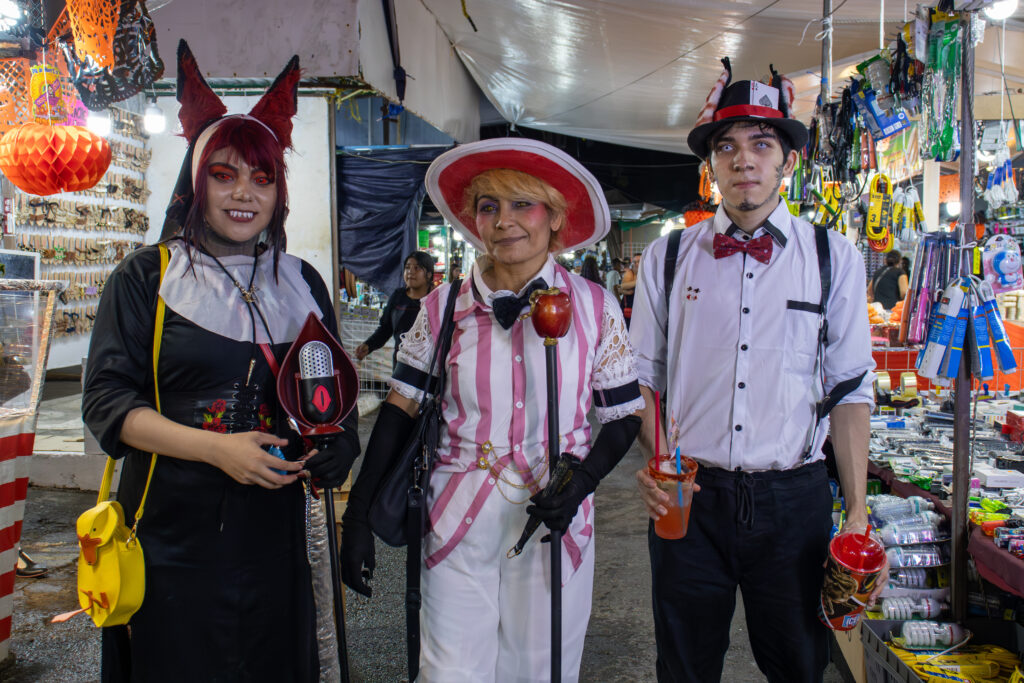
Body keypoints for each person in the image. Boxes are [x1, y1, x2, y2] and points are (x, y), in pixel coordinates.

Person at [81, 43, 359, 682]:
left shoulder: (303, 282)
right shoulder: (146, 279)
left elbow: (327, 392)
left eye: (262, 179)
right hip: (172, 534)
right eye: (224, 174)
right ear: (195, 181)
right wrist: (217, 449)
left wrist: (342, 444)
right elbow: (107, 404)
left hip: (277, 537)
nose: (244, 194)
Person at [340, 138, 644, 682]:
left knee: (541, 670)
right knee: (449, 672)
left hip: (554, 518)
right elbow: (399, 410)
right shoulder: (440, 307)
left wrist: (582, 483)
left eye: (521, 204)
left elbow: (623, 417)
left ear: (553, 217)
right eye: (488, 207)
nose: (504, 221)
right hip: (455, 516)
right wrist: (357, 512)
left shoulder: (595, 307)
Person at [630, 61, 884, 683]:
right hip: (692, 497)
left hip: (793, 501)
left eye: (762, 144)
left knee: (799, 665)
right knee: (684, 667)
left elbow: (850, 387)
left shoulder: (833, 258)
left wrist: (855, 513)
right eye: (728, 146)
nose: (744, 160)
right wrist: (662, 461)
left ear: (787, 162)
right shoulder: (667, 258)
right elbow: (643, 378)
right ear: (711, 164)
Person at [354, 251, 434, 368]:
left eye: (417, 268)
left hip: (429, 365)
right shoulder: (398, 296)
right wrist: (369, 345)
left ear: (429, 274)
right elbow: (386, 328)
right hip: (401, 363)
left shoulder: (435, 299)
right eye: (407, 268)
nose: (410, 272)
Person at [618, 252, 641, 326]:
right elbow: (623, 286)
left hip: (639, 306)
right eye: (635, 262)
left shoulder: (646, 272)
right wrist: (641, 281)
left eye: (639, 261)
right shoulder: (630, 272)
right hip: (629, 306)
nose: (636, 264)